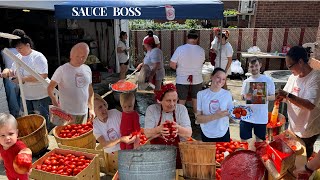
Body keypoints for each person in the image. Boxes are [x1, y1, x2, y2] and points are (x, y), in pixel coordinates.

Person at [1, 29, 52, 130]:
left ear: (28, 45)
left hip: (40, 95)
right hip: (26, 95)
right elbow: (12, 71)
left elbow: (43, 75)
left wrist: (22, 79)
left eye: (20, 48)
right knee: (29, 120)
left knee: (42, 120)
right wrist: (7, 71)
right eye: (17, 48)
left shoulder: (37, 56)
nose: (19, 50)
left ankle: (47, 139)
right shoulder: (18, 57)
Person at [276, 46, 320, 158]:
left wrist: (287, 95)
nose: (290, 70)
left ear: (300, 62)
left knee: (303, 158)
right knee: (291, 156)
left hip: (308, 130)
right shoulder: (293, 77)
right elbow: (287, 95)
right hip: (293, 127)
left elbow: (310, 105)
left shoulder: (315, 78)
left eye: (290, 66)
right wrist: (282, 97)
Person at [144, 83, 192, 169]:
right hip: (157, 154)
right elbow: (146, 134)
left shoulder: (181, 109)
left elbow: (189, 133)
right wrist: (159, 129)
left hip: (178, 154)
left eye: (175, 100)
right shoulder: (152, 110)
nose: (172, 104)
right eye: (168, 100)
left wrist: (178, 128)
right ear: (160, 100)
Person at [47, 42, 95, 124]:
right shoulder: (62, 70)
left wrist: (91, 109)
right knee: (66, 135)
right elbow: (50, 88)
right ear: (71, 55)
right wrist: (54, 100)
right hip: (67, 113)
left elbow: (90, 91)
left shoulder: (87, 69)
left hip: (84, 112)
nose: (80, 59)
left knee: (81, 134)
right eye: (77, 56)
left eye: (83, 57)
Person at [240, 58, 275, 145]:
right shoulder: (246, 81)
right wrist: (246, 97)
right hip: (247, 116)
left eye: (256, 66)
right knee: (244, 141)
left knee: (260, 143)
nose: (254, 68)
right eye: (251, 66)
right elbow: (242, 96)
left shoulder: (268, 80)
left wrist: (262, 97)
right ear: (248, 68)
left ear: (260, 65)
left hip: (261, 117)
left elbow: (273, 96)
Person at [170, 29, 205, 113]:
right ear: (197, 38)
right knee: (196, 100)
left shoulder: (180, 49)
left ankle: (179, 119)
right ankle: (197, 119)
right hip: (197, 79)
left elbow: (172, 65)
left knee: (181, 100)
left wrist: (180, 68)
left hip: (182, 79)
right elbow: (202, 62)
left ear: (187, 38)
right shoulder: (201, 50)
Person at [196, 68, 233, 142]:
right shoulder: (201, 94)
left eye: (223, 79)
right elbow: (198, 119)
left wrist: (239, 113)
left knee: (224, 153)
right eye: (218, 77)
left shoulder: (227, 94)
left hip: (223, 132)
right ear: (211, 76)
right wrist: (217, 116)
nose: (220, 81)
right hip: (206, 133)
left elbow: (231, 113)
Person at [0, 113, 32, 180]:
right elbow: (2, 155)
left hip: (21, 172)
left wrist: (24, 154)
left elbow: (28, 150)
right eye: (3, 135)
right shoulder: (1, 145)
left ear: (16, 133)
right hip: (9, 171)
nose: (7, 138)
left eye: (11, 134)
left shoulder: (18, 145)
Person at [1, 47, 21, 117]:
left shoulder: (3, 51)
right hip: (19, 76)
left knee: (13, 99)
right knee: (19, 96)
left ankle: (16, 116)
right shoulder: (19, 49)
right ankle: (20, 114)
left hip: (9, 77)